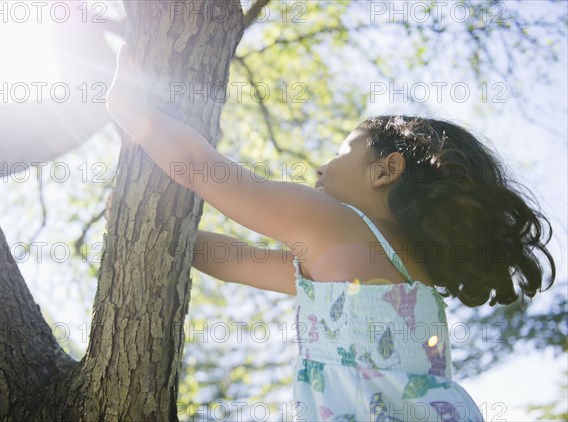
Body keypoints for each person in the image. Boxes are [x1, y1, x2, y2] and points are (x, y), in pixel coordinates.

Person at [106, 44, 556, 421]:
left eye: (342, 151)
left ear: (386, 169)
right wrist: (153, 230)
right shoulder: (399, 278)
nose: (323, 167)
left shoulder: (330, 223)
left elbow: (206, 170)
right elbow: (234, 261)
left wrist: (137, 117)